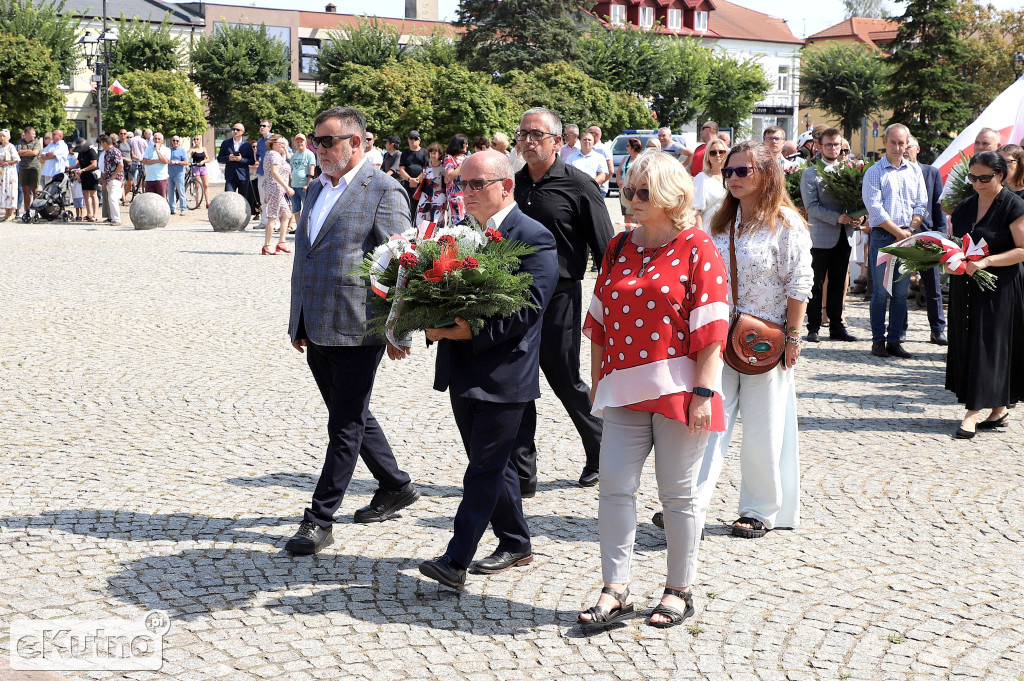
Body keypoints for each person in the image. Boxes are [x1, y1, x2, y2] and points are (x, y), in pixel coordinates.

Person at [578, 150, 729, 629]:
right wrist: (597, 381)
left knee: (678, 495)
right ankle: (615, 588)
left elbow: (711, 327)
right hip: (623, 387)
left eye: (643, 193)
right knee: (615, 489)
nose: (632, 200)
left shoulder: (697, 245)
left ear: (670, 196)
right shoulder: (619, 246)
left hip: (680, 390)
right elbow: (601, 318)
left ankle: (679, 589)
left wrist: (704, 394)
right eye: (627, 190)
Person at [416, 150, 558, 591]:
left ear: (506, 186)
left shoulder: (534, 236)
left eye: (478, 185)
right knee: (494, 467)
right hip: (462, 370)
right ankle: (516, 541)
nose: (467, 192)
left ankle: (456, 560)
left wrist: (462, 333)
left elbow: (527, 312)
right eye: (462, 184)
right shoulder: (461, 235)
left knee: (483, 469)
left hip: (505, 374)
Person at [285, 106, 421, 555]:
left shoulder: (385, 190)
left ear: (357, 142)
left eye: (327, 141)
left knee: (343, 424)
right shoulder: (314, 188)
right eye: (316, 139)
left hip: (359, 326)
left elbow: (405, 265)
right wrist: (298, 318)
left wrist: (398, 329)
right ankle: (395, 484)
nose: (318, 148)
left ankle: (319, 519)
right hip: (317, 324)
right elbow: (305, 257)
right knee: (354, 414)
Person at [701, 140, 813, 540]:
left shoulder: (786, 223)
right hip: (718, 335)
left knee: (765, 427)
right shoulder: (719, 219)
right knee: (708, 421)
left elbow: (799, 283)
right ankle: (692, 505)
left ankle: (760, 509)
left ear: (767, 174)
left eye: (741, 171)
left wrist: (794, 337)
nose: (731, 178)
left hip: (766, 337)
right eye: (728, 171)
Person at [512, 107, 613, 493]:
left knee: (564, 379)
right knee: (516, 382)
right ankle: (523, 473)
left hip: (560, 297)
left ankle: (600, 450)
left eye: (537, 134)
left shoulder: (579, 185)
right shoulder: (509, 185)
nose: (529, 141)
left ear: (557, 141)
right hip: (511, 298)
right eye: (523, 134)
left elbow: (606, 251)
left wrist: (612, 304)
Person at [945, 151, 1024, 438]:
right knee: (970, 342)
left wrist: (987, 262)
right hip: (966, 284)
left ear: (1001, 176)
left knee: (987, 344)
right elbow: (954, 244)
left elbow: (1022, 250)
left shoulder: (1013, 205)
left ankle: (972, 413)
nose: (978, 183)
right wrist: (950, 261)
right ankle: (998, 409)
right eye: (973, 177)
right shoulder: (965, 206)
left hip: (1000, 286)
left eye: (985, 178)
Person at [862, 123, 927, 359]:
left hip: (908, 234)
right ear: (884, 143)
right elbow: (876, 211)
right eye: (894, 142)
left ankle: (895, 339)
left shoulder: (914, 171)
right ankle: (878, 340)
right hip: (884, 236)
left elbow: (921, 204)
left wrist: (912, 227)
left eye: (902, 143)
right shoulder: (874, 172)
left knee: (900, 292)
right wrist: (899, 233)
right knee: (881, 291)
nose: (898, 148)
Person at [801, 127, 863, 343]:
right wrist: (837, 218)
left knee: (839, 282)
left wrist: (859, 217)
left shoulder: (849, 170)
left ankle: (837, 326)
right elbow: (812, 206)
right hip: (820, 236)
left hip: (844, 235)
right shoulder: (811, 173)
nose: (833, 148)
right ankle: (813, 326)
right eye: (829, 145)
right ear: (819, 146)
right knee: (816, 283)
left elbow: (856, 201)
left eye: (837, 145)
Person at [905, 135, 948, 344]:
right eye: (902, 145)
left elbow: (938, 207)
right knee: (898, 288)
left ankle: (938, 329)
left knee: (933, 287)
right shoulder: (894, 173)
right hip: (901, 236)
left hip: (927, 237)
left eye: (909, 146)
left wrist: (941, 235)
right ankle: (899, 329)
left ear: (918, 149)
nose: (905, 149)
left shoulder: (931, 172)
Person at [259, 134, 294, 255]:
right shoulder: (274, 155)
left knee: (286, 214)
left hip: (277, 188)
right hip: (275, 188)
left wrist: (285, 151)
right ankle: (267, 245)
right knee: (272, 217)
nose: (283, 146)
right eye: (281, 144)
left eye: (284, 144)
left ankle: (282, 242)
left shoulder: (277, 155)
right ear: (274, 144)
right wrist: (287, 187)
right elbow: (275, 172)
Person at [692, 138, 729, 233]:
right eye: (713, 153)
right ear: (707, 157)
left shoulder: (732, 176)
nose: (718, 155)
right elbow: (696, 211)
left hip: (730, 230)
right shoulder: (701, 178)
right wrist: (701, 235)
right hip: (710, 231)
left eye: (721, 152)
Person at [218, 123, 256, 211]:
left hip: (243, 176)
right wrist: (228, 158)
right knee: (229, 198)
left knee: (243, 200)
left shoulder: (247, 145)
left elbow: (252, 161)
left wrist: (241, 159)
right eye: (234, 129)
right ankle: (229, 218)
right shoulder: (226, 143)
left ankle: (242, 219)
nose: (235, 131)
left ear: (243, 132)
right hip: (230, 176)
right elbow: (219, 159)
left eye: (237, 130)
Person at [415, 142, 448, 225]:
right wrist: (422, 177)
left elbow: (446, 181)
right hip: (426, 194)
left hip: (439, 194)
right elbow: (420, 180)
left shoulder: (443, 166)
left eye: (435, 153)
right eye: (431, 153)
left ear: (439, 154)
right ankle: (421, 234)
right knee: (421, 214)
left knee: (437, 217)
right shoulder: (426, 165)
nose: (432, 155)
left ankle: (436, 234)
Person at [397, 130, 428, 215]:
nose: (413, 140)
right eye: (411, 138)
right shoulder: (404, 154)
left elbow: (427, 168)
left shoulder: (425, 152)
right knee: (410, 210)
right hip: (409, 185)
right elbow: (401, 169)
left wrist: (417, 180)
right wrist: (410, 180)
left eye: (415, 138)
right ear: (408, 140)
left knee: (422, 211)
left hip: (422, 186)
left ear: (419, 140)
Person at [289, 134, 316, 223]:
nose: (299, 143)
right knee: (296, 210)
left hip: (303, 186)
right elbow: (291, 171)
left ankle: (307, 229)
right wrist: (289, 186)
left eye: (301, 141)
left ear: (305, 142)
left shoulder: (309, 154)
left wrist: (308, 184)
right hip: (294, 186)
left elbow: (311, 170)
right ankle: (299, 230)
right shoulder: (293, 156)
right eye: (297, 141)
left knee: (307, 209)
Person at [16, 126, 43, 216]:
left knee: (35, 189)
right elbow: (18, 152)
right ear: (27, 134)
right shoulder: (20, 142)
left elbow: (35, 153)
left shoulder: (36, 142)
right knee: (25, 190)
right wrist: (29, 151)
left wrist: (25, 152)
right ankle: (26, 210)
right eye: (32, 134)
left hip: (34, 168)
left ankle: (36, 210)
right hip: (24, 167)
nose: (34, 136)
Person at [98, 134, 124, 226]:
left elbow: (120, 165)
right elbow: (106, 168)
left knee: (113, 198)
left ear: (105, 143)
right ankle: (113, 218)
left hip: (116, 178)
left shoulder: (115, 151)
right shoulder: (107, 153)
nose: (101, 145)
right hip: (109, 178)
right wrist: (105, 180)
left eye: (101, 143)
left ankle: (117, 219)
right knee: (110, 199)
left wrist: (113, 176)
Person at [616, 137, 642, 228]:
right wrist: (619, 181)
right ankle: (628, 235)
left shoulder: (641, 159)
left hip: (635, 191)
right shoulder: (626, 158)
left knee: (636, 213)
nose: (626, 148)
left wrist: (628, 182)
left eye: (628, 146)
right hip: (624, 190)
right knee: (627, 214)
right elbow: (619, 171)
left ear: (634, 147)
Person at [442, 134, 468, 225]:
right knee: (459, 221)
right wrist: (462, 164)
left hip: (466, 194)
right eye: (465, 143)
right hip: (455, 196)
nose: (467, 146)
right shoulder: (449, 158)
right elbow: (450, 176)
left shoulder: (465, 157)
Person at [74, 139, 99, 222]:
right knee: (85, 194)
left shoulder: (91, 152)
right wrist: (72, 167)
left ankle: (95, 215)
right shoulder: (81, 153)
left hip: (92, 174)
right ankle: (89, 214)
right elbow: (79, 163)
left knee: (93, 194)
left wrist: (83, 170)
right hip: (84, 174)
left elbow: (94, 164)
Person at [587, 125, 615, 198]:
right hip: (587, 187)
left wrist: (599, 182)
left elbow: (611, 170)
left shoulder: (604, 149)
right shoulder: (586, 148)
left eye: (589, 132)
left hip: (599, 189)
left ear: (596, 134)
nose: (587, 134)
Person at [255, 120, 273, 227]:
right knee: (263, 198)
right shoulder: (260, 142)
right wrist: (258, 159)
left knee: (273, 198)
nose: (261, 127)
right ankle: (264, 221)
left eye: (264, 126)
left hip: (272, 173)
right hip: (262, 172)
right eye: (260, 126)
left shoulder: (274, 139)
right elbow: (258, 155)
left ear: (269, 128)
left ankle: (275, 222)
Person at [142, 133, 170, 198]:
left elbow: (165, 161)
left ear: (162, 140)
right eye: (155, 139)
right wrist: (157, 160)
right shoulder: (148, 149)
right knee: (149, 199)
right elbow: (145, 161)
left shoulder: (167, 150)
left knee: (161, 199)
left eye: (159, 139)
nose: (157, 140)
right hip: (149, 178)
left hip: (161, 178)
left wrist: (157, 150)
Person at [166, 136, 189, 216]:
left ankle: (183, 208)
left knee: (181, 191)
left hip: (179, 173)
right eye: (174, 140)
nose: (175, 142)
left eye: (177, 141)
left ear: (179, 142)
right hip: (169, 173)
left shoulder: (182, 150)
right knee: (170, 191)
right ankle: (172, 208)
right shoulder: (169, 150)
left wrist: (176, 162)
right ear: (172, 141)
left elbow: (186, 162)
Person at [187, 135, 210, 209]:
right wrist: (187, 161)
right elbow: (187, 155)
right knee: (197, 186)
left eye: (197, 139)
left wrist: (203, 161)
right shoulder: (192, 149)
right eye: (195, 139)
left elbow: (208, 159)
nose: (196, 141)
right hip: (195, 168)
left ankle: (207, 202)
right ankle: (197, 203)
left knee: (206, 185)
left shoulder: (203, 149)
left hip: (203, 167)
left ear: (200, 140)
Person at [0, 130, 18, 221]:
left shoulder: (11, 147)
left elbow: (17, 159)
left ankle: (11, 213)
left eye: (3, 136)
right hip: (2, 172)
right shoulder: (0, 147)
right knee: (4, 191)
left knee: (11, 191)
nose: (2, 138)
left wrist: (7, 163)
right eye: (0, 136)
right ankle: (6, 213)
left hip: (10, 171)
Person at [117, 130, 134, 200]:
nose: (123, 135)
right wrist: (125, 159)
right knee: (122, 183)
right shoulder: (117, 144)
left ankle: (122, 196)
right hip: (121, 164)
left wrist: (139, 158)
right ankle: (124, 200)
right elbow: (116, 155)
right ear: (119, 134)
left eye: (124, 133)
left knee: (130, 183)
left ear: (126, 134)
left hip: (129, 165)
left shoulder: (129, 143)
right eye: (121, 133)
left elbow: (131, 154)